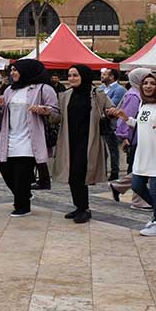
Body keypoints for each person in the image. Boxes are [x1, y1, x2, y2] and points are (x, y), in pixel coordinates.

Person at [110, 73, 156, 237]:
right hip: (143, 154)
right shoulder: (143, 105)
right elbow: (141, 124)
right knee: (137, 185)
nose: (148, 86)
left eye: (152, 83)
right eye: (145, 83)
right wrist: (127, 119)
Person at [0, 60, 60, 218]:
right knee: (5, 169)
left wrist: (45, 110)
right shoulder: (10, 90)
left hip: (31, 139)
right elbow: (6, 112)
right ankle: (24, 195)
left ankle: (22, 206)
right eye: (11, 70)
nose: (12, 73)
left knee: (22, 173)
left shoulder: (44, 89)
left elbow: (57, 114)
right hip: (10, 137)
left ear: (27, 71)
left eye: (15, 70)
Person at [53, 65, 113, 224]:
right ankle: (79, 206)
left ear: (84, 76)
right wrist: (47, 112)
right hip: (69, 140)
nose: (71, 78)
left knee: (79, 173)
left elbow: (110, 109)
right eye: (70, 75)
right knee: (72, 175)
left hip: (88, 140)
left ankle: (84, 208)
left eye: (75, 75)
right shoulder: (66, 95)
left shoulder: (96, 94)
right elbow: (57, 117)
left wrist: (113, 112)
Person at [108, 68, 152, 212]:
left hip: (143, 137)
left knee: (144, 168)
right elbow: (126, 116)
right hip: (136, 138)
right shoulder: (134, 96)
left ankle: (119, 186)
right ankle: (138, 200)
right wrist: (126, 137)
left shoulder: (140, 94)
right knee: (142, 169)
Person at [99, 68, 126, 181]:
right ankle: (101, 171)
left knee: (113, 148)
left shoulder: (119, 90)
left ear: (112, 77)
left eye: (105, 74)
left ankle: (114, 171)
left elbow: (111, 106)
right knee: (101, 149)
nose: (102, 76)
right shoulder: (101, 88)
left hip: (111, 124)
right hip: (101, 122)